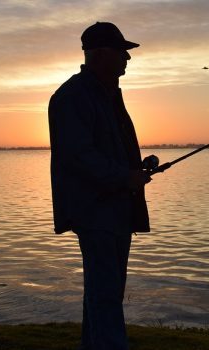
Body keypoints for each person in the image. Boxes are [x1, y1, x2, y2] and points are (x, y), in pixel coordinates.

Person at [48, 22, 151, 350]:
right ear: (102, 53)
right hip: (95, 213)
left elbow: (105, 151)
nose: (127, 59)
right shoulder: (73, 96)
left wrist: (137, 170)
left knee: (104, 294)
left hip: (117, 210)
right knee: (105, 295)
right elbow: (79, 155)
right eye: (122, 52)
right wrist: (124, 177)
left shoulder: (106, 95)